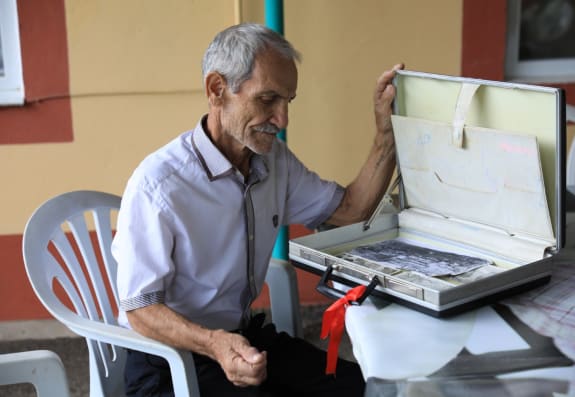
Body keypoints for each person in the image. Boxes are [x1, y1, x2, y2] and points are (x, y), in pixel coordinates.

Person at [112, 22, 402, 397]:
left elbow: (349, 211)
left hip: (240, 340)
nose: (282, 120)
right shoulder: (160, 184)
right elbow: (140, 309)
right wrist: (214, 343)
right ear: (218, 90)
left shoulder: (272, 162)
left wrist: (385, 137)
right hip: (167, 362)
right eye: (268, 100)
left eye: (287, 102)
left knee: (365, 389)